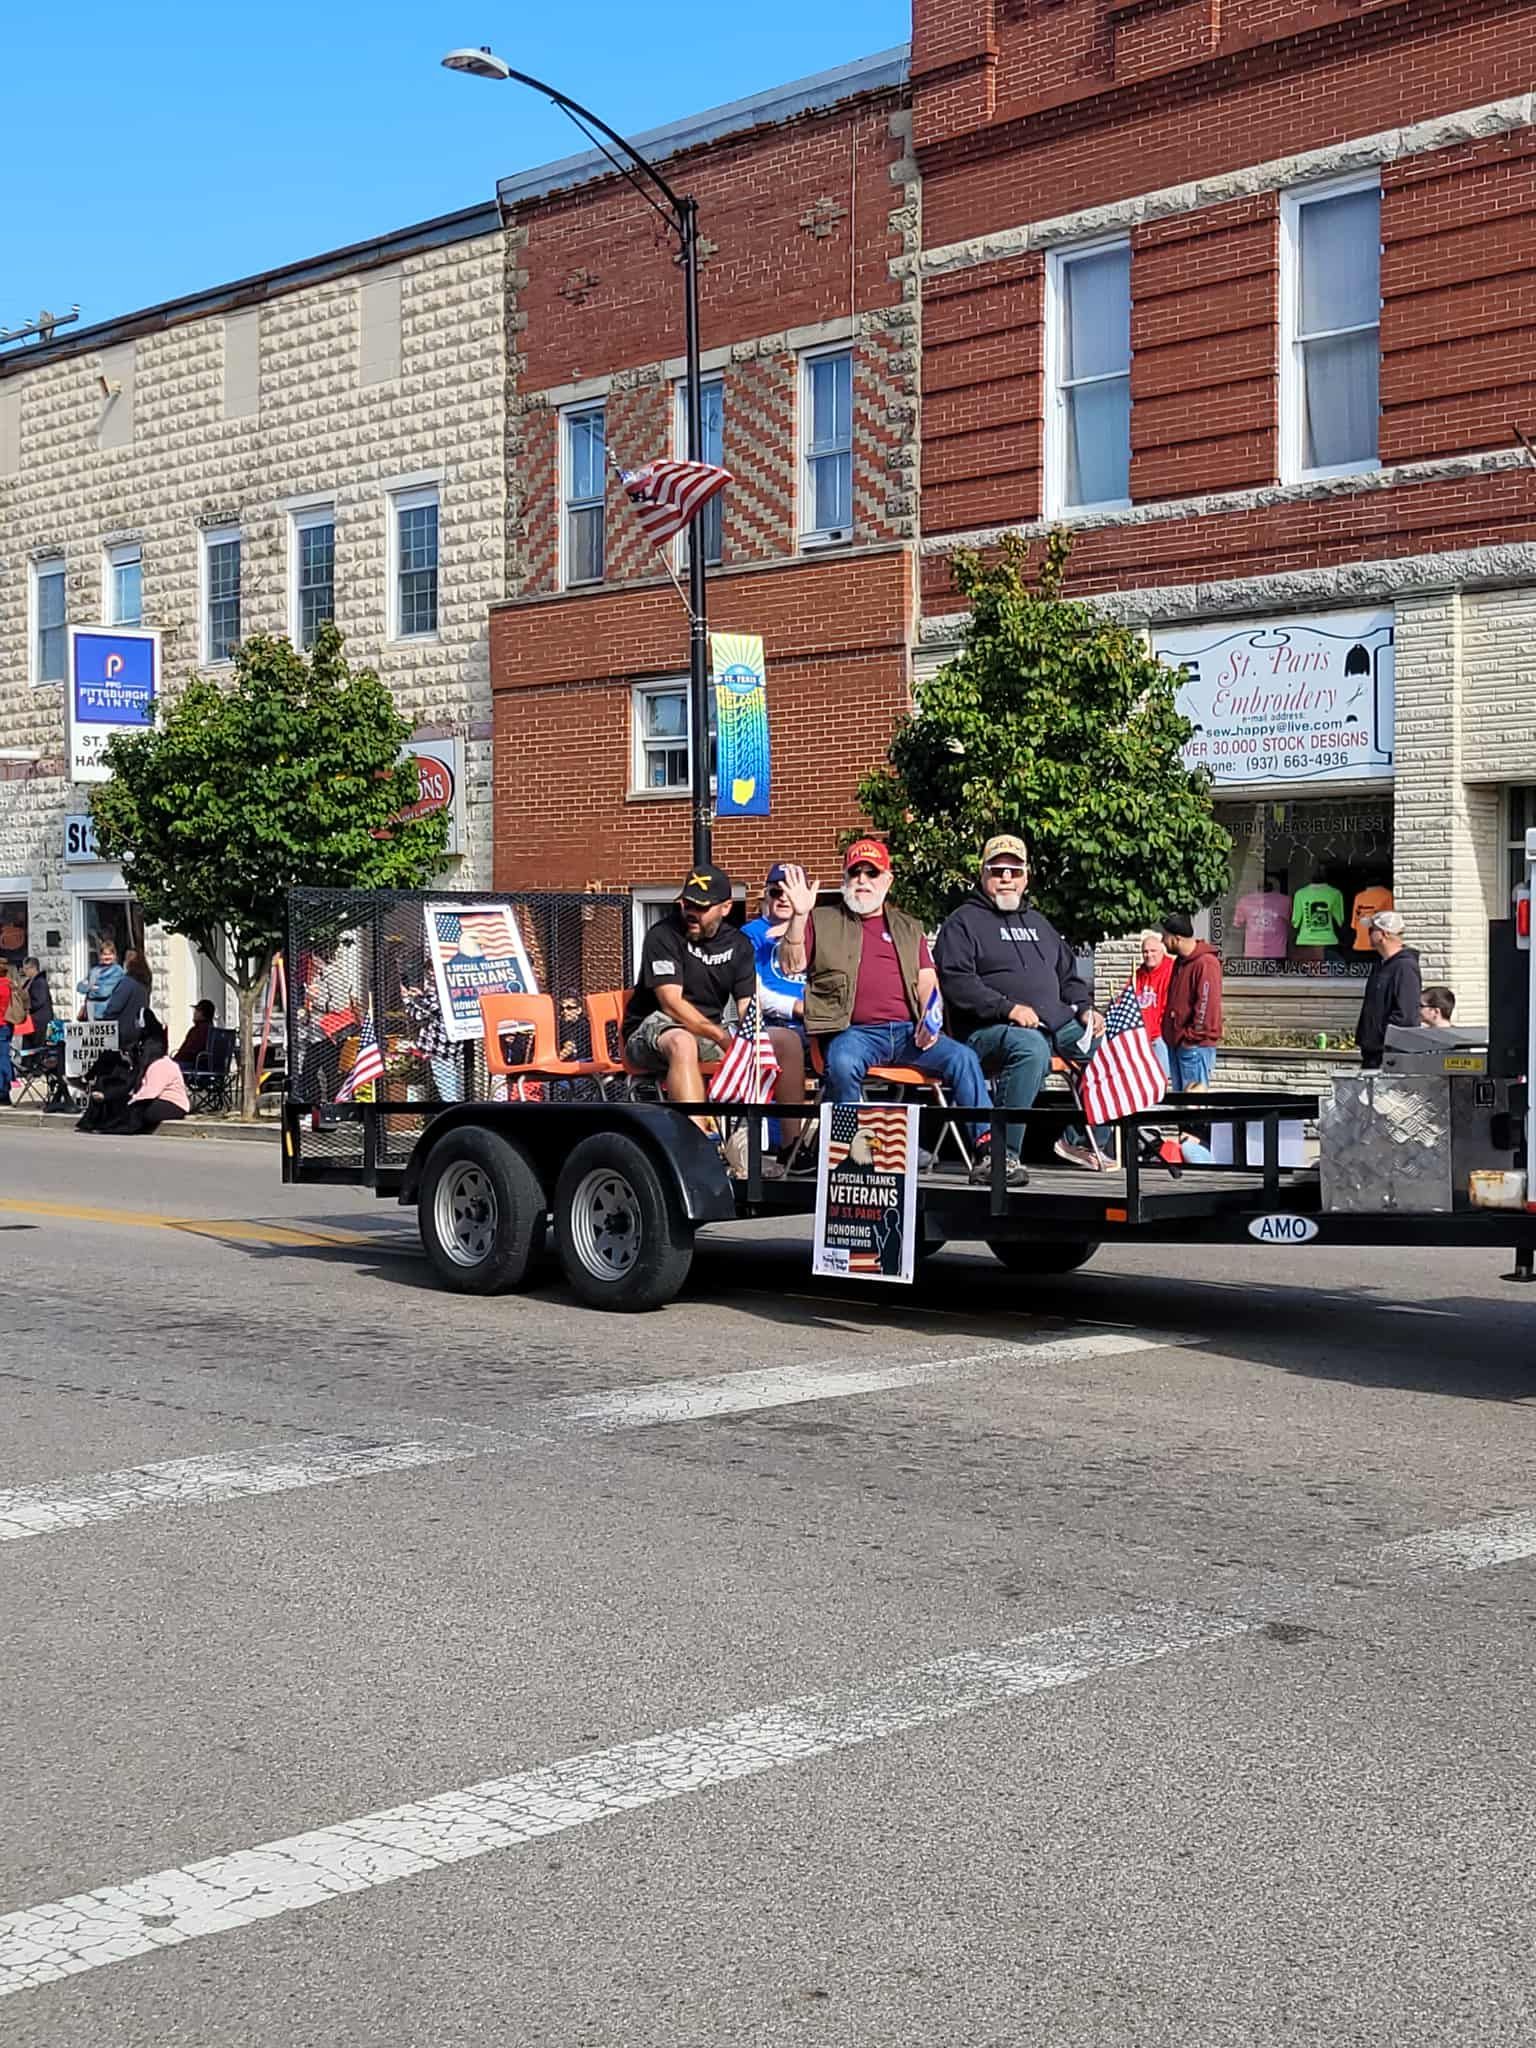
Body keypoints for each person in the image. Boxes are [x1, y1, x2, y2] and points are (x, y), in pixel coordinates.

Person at [785, 838, 998, 1183]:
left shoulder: (907, 926)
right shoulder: (819, 919)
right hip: (853, 1032)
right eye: (856, 872)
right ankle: (859, 1157)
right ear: (845, 877)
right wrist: (798, 916)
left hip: (907, 1032)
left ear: (888, 879)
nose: (863, 880)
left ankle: (989, 1151)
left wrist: (932, 1016)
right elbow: (791, 963)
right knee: (841, 1062)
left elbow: (928, 982)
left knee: (963, 1058)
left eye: (873, 872)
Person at [933, 833, 1100, 1180]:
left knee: (1108, 1043)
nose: (1006, 877)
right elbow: (956, 982)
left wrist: (1085, 1008)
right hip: (984, 1032)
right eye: (997, 870)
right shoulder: (962, 923)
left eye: (1014, 870)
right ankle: (1001, 1156)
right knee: (1030, 1048)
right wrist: (1007, 1008)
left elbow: (1068, 975)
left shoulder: (1040, 924)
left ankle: (1079, 1140)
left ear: (1026, 877)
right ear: (983, 875)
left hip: (1054, 1023)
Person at [621, 864, 805, 1150]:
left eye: (701, 907)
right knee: (683, 1042)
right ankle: (700, 1148)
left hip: (708, 1033)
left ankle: (794, 1148)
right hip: (653, 1029)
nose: (691, 912)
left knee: (788, 1042)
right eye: (687, 903)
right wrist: (721, 1037)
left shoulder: (739, 944)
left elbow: (747, 1006)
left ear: (726, 907)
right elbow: (671, 1003)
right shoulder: (663, 935)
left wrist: (750, 1039)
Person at [742, 863, 814, 1026]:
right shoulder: (750, 934)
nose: (783, 898)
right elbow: (751, 991)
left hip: (820, 1023)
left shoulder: (821, 929)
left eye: (791, 893)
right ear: (766, 895)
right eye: (776, 892)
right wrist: (795, 1006)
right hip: (774, 1025)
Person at [1161, 912, 1223, 1090]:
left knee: (1193, 1107)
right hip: (1178, 1045)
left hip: (1194, 1047)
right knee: (1182, 1107)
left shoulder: (1206, 963)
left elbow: (1205, 1006)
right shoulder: (1180, 962)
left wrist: (1190, 1038)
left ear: (1177, 938)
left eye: (1165, 936)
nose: (1163, 941)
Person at [1357, 909, 1422, 1070]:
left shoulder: (1404, 967)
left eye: (1372, 930)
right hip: (1371, 1053)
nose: (1368, 934)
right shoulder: (1381, 965)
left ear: (1384, 934)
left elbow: (1406, 1015)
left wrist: (1384, 1042)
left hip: (1388, 1055)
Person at [109, 1036, 191, 1134]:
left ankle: (126, 1128)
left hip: (174, 1104)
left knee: (141, 1110)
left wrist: (133, 1100)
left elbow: (151, 1091)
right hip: (159, 1100)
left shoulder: (161, 1065)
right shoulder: (152, 1065)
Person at [1133, 931, 1174, 1077]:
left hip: (1160, 1038)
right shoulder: (1138, 975)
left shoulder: (1172, 970)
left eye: (1153, 951)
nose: (1149, 955)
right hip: (1140, 1040)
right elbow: (1127, 999)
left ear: (1162, 950)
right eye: (1145, 952)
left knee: (1161, 1083)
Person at [100, 947, 154, 1057]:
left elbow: (113, 1008)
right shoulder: (144, 984)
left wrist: (103, 1018)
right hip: (137, 1031)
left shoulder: (127, 982)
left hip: (123, 1033)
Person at [75, 1048, 135, 1132]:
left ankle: (105, 1124)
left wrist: (105, 1096)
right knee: (107, 1056)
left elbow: (127, 1087)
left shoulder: (137, 1066)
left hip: (124, 1094)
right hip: (112, 1084)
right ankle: (86, 1079)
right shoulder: (115, 1058)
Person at [78, 936, 125, 1021]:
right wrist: (91, 987)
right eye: (104, 954)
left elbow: (103, 992)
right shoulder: (94, 970)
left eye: (110, 954)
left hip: (106, 1013)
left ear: (114, 955)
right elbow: (80, 987)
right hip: (90, 1013)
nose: (107, 957)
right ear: (100, 955)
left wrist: (89, 988)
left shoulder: (117, 971)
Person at [174, 998, 216, 1068]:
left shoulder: (199, 1030)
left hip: (192, 1063)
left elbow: (189, 1050)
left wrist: (174, 1060)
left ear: (203, 1013)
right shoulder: (212, 1030)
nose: (194, 1013)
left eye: (197, 1010)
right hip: (200, 1063)